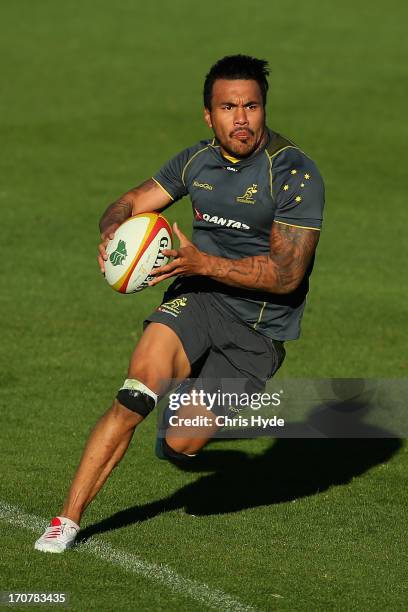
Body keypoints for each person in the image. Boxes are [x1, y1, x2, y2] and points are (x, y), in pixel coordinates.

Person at [35, 54, 324, 553]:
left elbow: (286, 275)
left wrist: (200, 262)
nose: (241, 119)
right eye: (228, 107)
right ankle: (66, 521)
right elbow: (128, 202)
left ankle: (184, 405)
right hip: (197, 299)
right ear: (208, 115)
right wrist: (114, 231)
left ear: (263, 108)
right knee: (135, 394)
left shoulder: (293, 174)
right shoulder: (196, 161)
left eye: (251, 106)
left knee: (181, 443)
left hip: (257, 329)